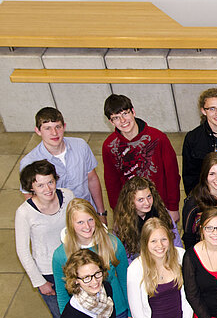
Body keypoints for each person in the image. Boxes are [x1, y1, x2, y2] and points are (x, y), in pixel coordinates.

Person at [15, 160, 74, 318]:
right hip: (49, 272)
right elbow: (23, 251)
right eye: (40, 185)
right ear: (31, 187)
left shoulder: (68, 196)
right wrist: (40, 282)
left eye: (50, 182)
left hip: (75, 264)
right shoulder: (24, 213)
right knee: (62, 317)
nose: (47, 189)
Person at [19, 107, 107, 223]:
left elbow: (92, 179)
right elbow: (30, 198)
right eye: (47, 128)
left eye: (58, 127)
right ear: (38, 131)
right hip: (57, 221)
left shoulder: (80, 146)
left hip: (87, 214)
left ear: (64, 126)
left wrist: (101, 213)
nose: (54, 133)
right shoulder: (29, 162)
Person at [101, 94, 181, 223]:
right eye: (116, 118)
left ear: (133, 112)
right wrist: (117, 211)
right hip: (130, 209)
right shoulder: (109, 146)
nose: (123, 120)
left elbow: (172, 175)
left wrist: (173, 207)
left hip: (159, 205)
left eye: (125, 113)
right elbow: (112, 183)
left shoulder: (158, 138)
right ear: (111, 122)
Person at [113, 176, 182, 263]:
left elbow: (176, 243)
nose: (147, 203)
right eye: (140, 200)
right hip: (138, 264)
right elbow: (123, 257)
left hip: (165, 260)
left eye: (149, 196)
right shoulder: (122, 222)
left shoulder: (162, 213)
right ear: (130, 202)